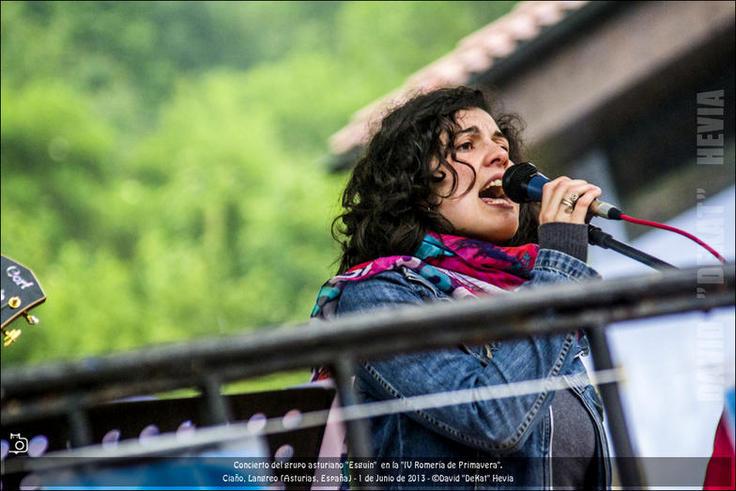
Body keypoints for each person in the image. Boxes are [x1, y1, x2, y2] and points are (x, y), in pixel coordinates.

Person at [311, 86, 611, 489]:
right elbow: (491, 418)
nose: (501, 156)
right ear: (416, 189)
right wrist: (559, 268)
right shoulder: (376, 296)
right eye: (467, 145)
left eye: (501, 145)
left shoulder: (531, 295)